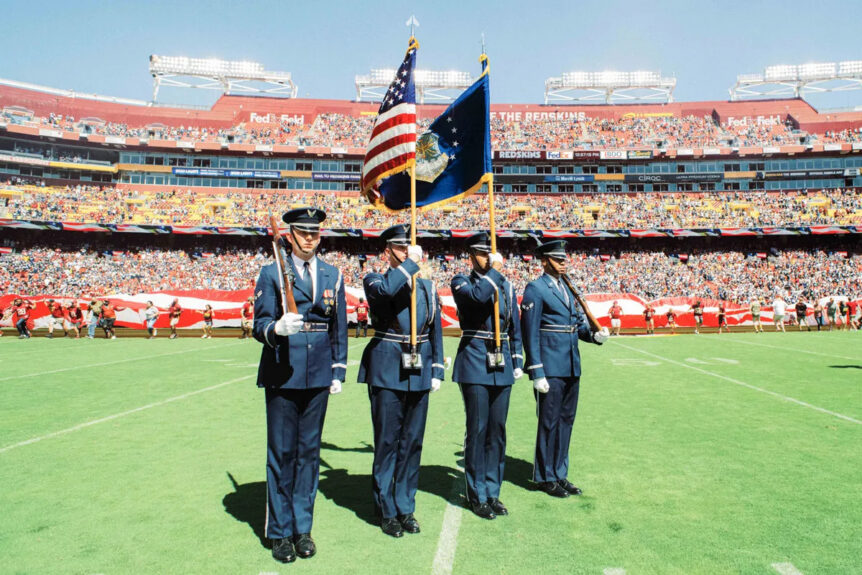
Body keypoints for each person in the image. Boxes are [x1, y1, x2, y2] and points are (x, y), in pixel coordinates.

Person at [252, 207, 347, 564]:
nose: (309, 238)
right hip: (283, 371)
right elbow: (259, 322)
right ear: (290, 235)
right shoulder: (271, 272)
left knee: (309, 454)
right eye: (303, 232)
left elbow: (338, 326)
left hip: (319, 373)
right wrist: (275, 329)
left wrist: (337, 371)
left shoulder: (331, 274)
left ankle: (301, 528)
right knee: (282, 453)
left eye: (315, 233)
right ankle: (279, 531)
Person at [357, 224, 444, 538]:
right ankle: (385, 509)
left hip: (419, 368)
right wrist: (408, 265)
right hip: (387, 367)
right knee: (387, 442)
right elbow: (384, 294)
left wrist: (436, 368)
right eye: (400, 247)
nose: (407, 251)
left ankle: (405, 505)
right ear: (387, 251)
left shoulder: (426, 286)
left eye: (410, 247)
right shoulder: (375, 278)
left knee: (412, 442)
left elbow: (434, 328)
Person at [520, 240, 608, 499]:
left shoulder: (569, 289)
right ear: (545, 261)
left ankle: (560, 472)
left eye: (564, 258)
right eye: (558, 259)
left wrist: (594, 337)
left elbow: (577, 325)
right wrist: (536, 371)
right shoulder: (536, 289)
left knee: (566, 421)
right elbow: (530, 332)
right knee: (548, 422)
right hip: (550, 367)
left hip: (571, 365)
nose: (563, 262)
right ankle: (545, 476)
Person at [450, 232, 524, 520]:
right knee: (478, 430)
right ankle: (477, 493)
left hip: (501, 362)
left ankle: (493, 491)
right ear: (471, 255)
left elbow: (513, 324)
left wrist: (517, 358)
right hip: (474, 361)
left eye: (490, 254)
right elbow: (477, 299)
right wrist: (494, 272)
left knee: (497, 432)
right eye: (482, 254)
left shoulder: (504, 285)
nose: (487, 258)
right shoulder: (462, 281)